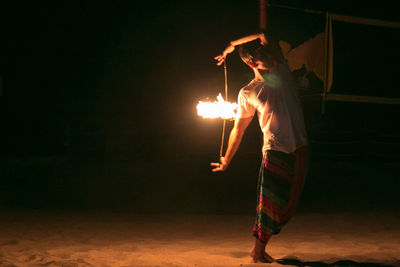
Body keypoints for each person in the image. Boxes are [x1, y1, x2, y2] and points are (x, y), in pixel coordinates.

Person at [211, 33, 309, 263]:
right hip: (274, 149)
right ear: (252, 63)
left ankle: (260, 248)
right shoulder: (248, 92)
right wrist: (226, 159)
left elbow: (263, 35)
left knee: (288, 208)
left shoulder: (281, 70)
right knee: (270, 205)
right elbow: (239, 129)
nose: (272, 59)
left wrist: (231, 45)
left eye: (271, 56)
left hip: (301, 147)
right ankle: (258, 250)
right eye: (264, 58)